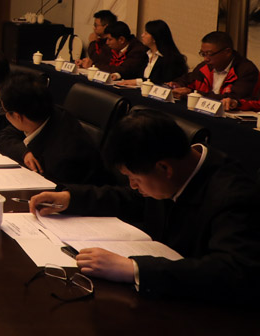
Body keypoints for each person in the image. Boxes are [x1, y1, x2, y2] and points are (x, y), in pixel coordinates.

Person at [30, 109, 260, 304]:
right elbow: (134, 199)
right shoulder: (173, 170)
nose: (132, 185)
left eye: (135, 179)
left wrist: (134, 269)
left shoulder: (233, 195)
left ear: (164, 168)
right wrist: (71, 199)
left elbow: (235, 271)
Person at [0, 72, 112, 186]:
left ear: (18, 116)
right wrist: (25, 153)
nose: (4, 115)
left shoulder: (64, 157)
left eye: (4, 111)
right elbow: (5, 135)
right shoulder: (39, 114)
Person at [169, 30, 259, 100]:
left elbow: (233, 99)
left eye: (209, 54)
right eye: (203, 54)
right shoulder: (205, 66)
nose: (206, 59)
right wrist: (177, 85)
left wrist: (193, 94)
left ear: (227, 52)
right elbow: (187, 80)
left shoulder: (246, 70)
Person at [138, 19, 189, 84]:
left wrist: (138, 81)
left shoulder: (172, 59)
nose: (142, 35)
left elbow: (163, 81)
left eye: (146, 33)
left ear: (155, 37)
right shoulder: (145, 54)